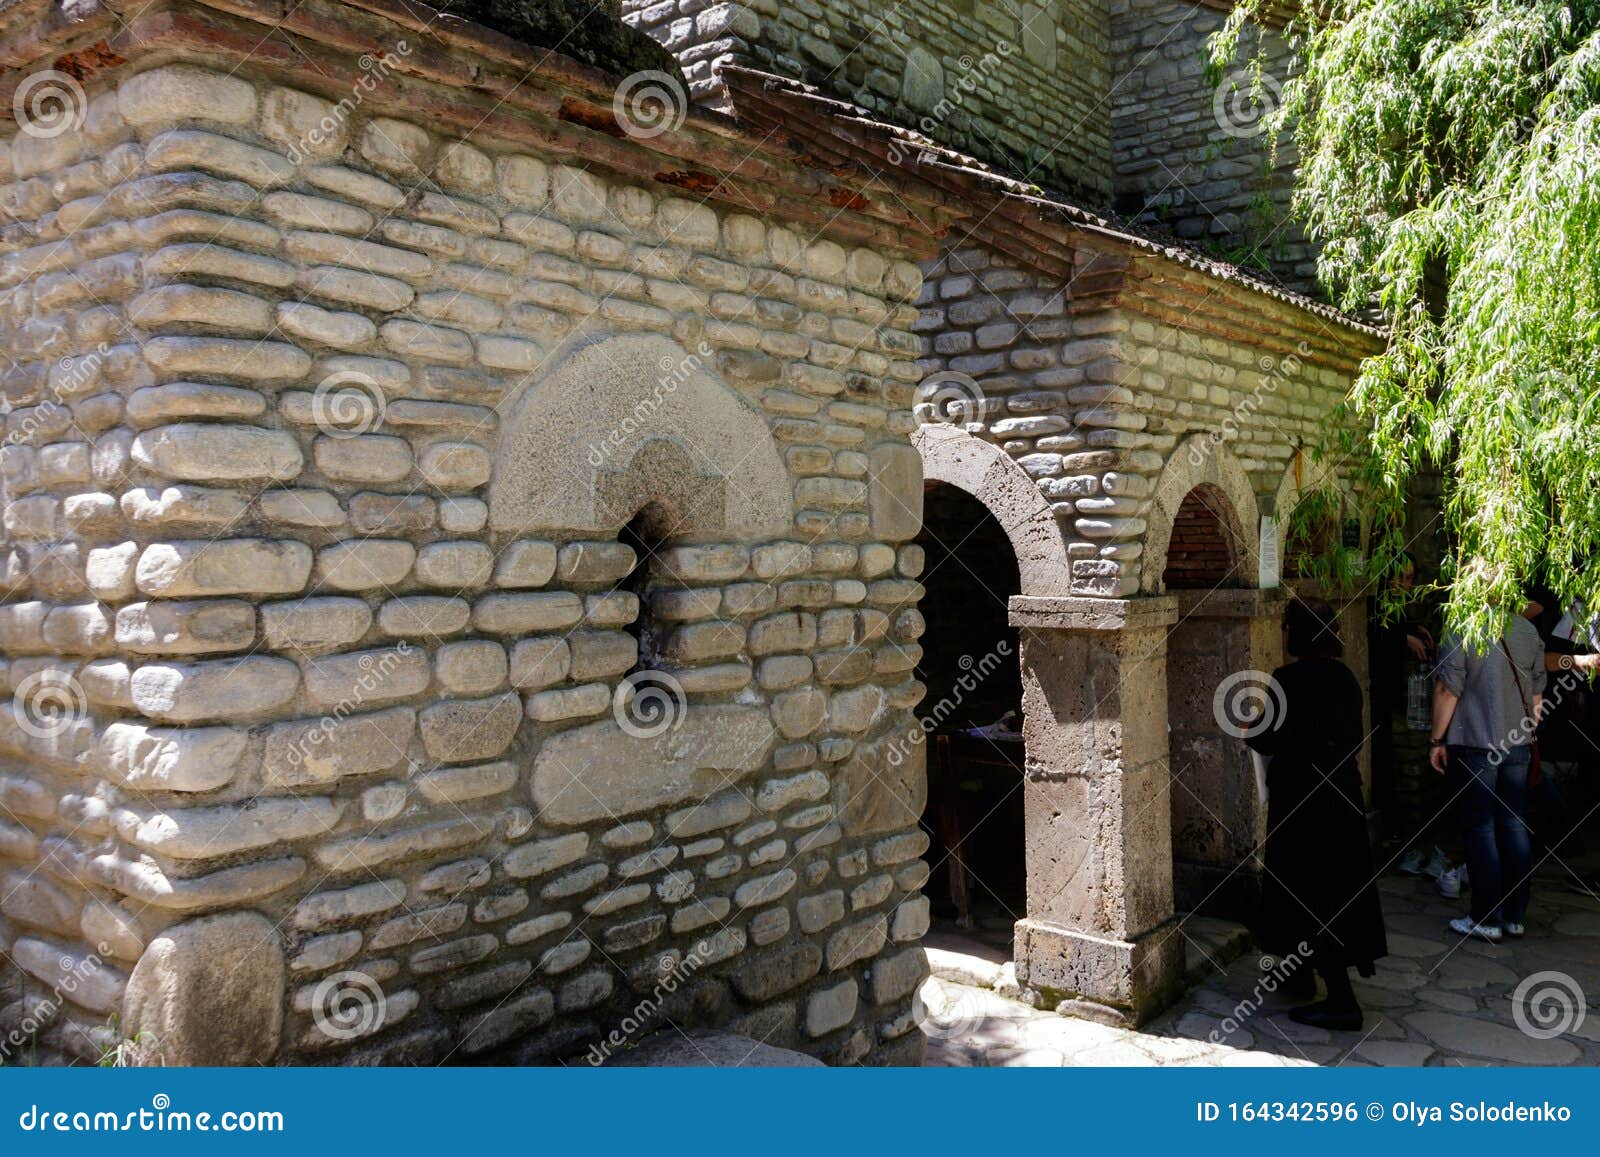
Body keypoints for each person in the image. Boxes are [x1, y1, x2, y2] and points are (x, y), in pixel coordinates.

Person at [1246, 597, 1389, 1030]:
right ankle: (1301, 976)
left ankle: (1343, 1003)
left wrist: (1252, 729)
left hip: (1302, 804)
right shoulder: (1346, 679)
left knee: (1308, 892)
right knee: (1335, 891)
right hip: (1342, 798)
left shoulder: (1288, 680)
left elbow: (1268, 741)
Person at [1429, 600, 1546, 941]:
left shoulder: (1463, 626)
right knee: (1513, 822)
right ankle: (1514, 916)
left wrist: (1437, 739)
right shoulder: (1527, 629)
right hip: (1518, 742)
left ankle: (1486, 918)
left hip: (1476, 739)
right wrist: (1525, 731)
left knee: (1480, 828)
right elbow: (1537, 693)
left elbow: (1447, 689)